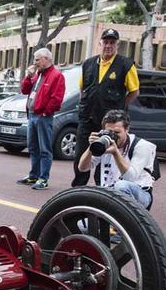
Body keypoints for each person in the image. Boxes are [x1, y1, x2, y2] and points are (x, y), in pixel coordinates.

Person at [71, 28, 139, 187]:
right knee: (81, 157)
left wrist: (120, 110)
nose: (108, 45)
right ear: (100, 43)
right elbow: (83, 88)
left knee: (104, 158)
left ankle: (101, 192)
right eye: (106, 42)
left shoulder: (125, 64)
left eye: (112, 42)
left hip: (109, 123)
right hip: (87, 120)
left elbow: (134, 92)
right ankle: (77, 190)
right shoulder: (88, 63)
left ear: (117, 45)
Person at [77, 110, 156, 209]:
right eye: (110, 132)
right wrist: (92, 147)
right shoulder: (105, 142)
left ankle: (126, 221)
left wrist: (115, 152)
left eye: (117, 132)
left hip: (140, 194)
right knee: (82, 222)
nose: (113, 136)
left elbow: (130, 177)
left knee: (121, 186)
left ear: (127, 129)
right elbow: (82, 168)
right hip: (110, 194)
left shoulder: (142, 146)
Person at [17, 48, 65, 190]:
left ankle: (43, 178)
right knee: (32, 146)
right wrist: (28, 76)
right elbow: (25, 90)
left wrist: (45, 112)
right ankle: (34, 175)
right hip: (32, 115)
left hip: (43, 116)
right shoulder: (38, 74)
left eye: (37, 59)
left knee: (44, 148)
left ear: (45, 59)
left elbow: (57, 98)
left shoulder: (56, 76)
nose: (35, 62)